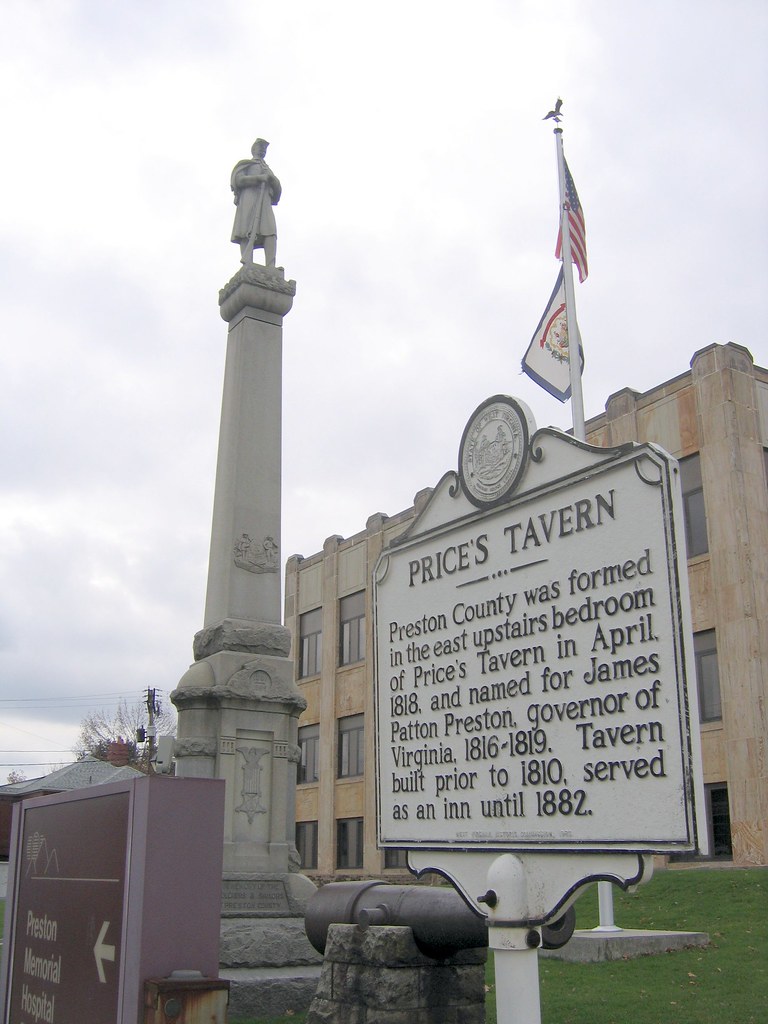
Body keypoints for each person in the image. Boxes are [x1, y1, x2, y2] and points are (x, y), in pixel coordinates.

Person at [230, 138, 281, 267]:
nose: (263, 150)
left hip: (265, 202)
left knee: (270, 231)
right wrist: (258, 178)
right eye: (260, 147)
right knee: (246, 230)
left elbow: (277, 192)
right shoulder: (246, 164)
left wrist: (273, 180)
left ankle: (271, 267)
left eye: (265, 148)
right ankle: (248, 264)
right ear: (254, 149)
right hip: (249, 200)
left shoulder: (267, 169)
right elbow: (238, 180)